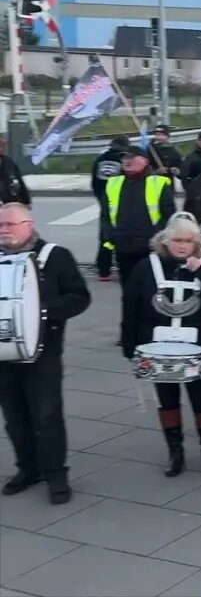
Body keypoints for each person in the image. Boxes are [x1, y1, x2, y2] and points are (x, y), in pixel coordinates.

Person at [122, 213, 201, 477]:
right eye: (177, 240)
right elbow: (130, 308)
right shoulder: (145, 267)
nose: (182, 246)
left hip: (195, 346)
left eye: (188, 241)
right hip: (156, 346)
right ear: (165, 240)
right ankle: (175, 453)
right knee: (167, 400)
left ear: (196, 243)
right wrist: (130, 346)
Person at [0, 204, 90, 505]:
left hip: (43, 353)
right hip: (3, 355)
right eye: (0, 225)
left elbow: (80, 297)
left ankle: (56, 476)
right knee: (14, 418)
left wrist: (39, 312)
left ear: (28, 225)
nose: (4, 230)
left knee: (47, 416)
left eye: (10, 224)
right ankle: (28, 469)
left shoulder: (54, 256)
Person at [105, 146, 177, 289]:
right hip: (123, 246)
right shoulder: (114, 183)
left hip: (149, 247)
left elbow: (169, 215)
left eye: (132, 157)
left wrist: (156, 238)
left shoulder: (159, 183)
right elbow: (105, 215)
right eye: (124, 158)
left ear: (145, 161)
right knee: (128, 289)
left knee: (149, 288)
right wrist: (110, 236)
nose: (127, 161)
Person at [92, 136, 131, 279]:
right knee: (123, 236)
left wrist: (101, 198)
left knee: (105, 237)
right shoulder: (124, 160)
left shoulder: (100, 159)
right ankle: (123, 268)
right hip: (121, 203)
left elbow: (94, 182)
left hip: (105, 201)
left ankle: (103, 270)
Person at [0, 138, 31, 205]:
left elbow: (20, 181)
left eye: (2, 146)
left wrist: (27, 201)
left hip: (10, 203)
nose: (1, 149)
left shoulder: (8, 162)